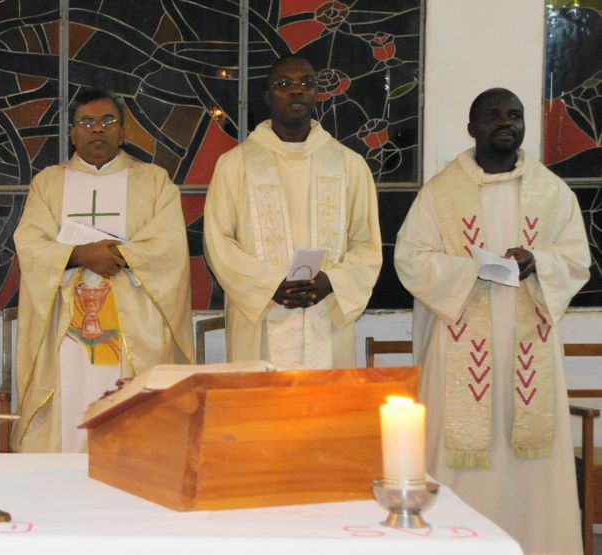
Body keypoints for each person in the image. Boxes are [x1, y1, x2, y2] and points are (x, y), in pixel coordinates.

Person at [395, 88, 589, 554]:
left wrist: (537, 261)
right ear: (472, 128)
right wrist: (472, 270)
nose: (506, 122)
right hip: (461, 353)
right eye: (492, 115)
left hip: (529, 357)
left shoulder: (551, 191)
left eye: (514, 115)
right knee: (457, 459)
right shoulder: (441, 192)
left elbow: (576, 259)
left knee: (532, 475)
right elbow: (410, 260)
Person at [12, 88, 193, 452]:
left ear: (123, 132)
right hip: (66, 326)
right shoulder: (48, 183)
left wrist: (116, 256)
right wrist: (81, 254)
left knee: (131, 425)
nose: (98, 129)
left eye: (108, 121)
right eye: (87, 122)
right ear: (72, 133)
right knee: (69, 407)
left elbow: (170, 243)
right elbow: (30, 242)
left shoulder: (154, 180)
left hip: (134, 327)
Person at [204, 56, 382, 368]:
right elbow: (217, 242)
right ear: (267, 95)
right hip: (259, 319)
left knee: (325, 413)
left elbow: (367, 244)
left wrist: (332, 281)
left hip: (325, 315)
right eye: (284, 84)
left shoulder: (348, 164)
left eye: (306, 84)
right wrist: (268, 283)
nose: (296, 91)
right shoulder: (236, 164)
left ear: (317, 94)